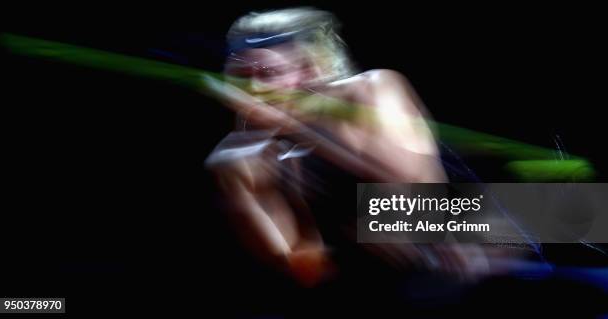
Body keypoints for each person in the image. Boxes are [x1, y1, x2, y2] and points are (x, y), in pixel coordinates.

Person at [206, 7, 489, 288]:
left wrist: (294, 127)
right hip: (402, 274)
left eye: (268, 73)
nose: (253, 89)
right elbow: (304, 267)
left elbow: (413, 186)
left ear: (308, 71)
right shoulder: (238, 159)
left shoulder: (371, 88)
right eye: (240, 74)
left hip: (484, 221)